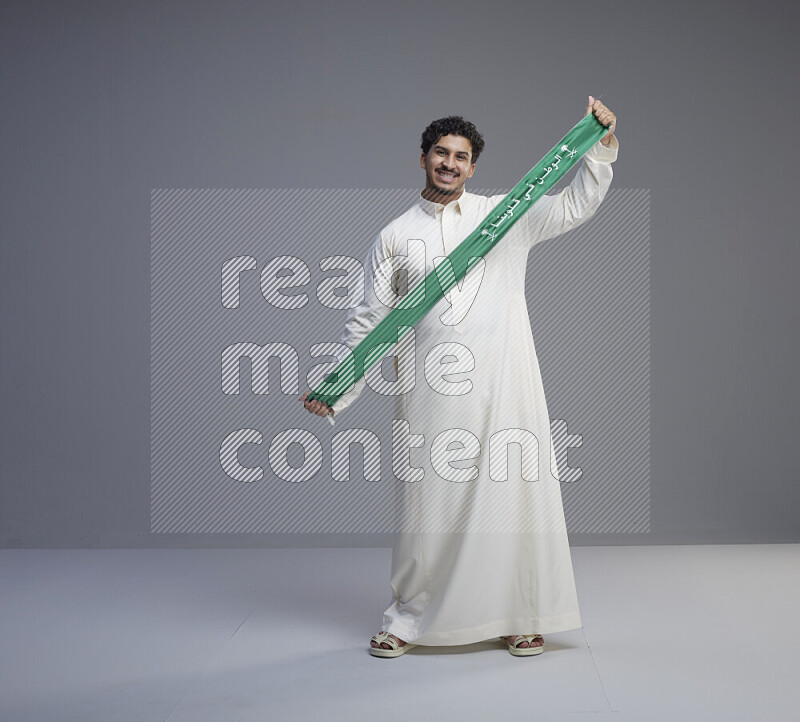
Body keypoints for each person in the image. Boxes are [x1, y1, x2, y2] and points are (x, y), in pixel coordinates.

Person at [300, 97, 618, 657]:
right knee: (428, 505)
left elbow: (574, 206)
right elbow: (368, 320)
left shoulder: (503, 218)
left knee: (512, 496)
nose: (450, 163)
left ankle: (522, 614)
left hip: (507, 381)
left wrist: (601, 144)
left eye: (461, 157)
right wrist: (337, 387)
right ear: (422, 159)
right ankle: (407, 618)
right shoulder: (394, 236)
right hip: (430, 389)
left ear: (473, 168)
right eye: (441, 154)